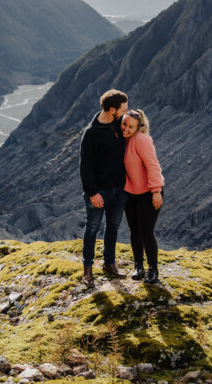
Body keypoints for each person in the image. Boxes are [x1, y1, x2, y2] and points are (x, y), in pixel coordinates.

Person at [79, 89, 129, 288]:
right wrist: (92, 193)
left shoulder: (120, 124)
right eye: (123, 109)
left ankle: (109, 264)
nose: (126, 112)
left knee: (113, 227)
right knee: (92, 228)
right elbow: (85, 167)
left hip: (119, 189)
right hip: (99, 192)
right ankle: (87, 271)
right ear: (111, 109)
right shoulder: (91, 134)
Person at [121, 109, 165, 285]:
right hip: (130, 193)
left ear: (138, 127)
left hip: (149, 193)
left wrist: (156, 191)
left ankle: (153, 269)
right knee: (134, 231)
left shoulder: (141, 140)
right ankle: (138, 266)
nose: (126, 128)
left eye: (131, 126)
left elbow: (153, 165)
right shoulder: (121, 140)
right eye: (124, 124)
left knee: (146, 231)